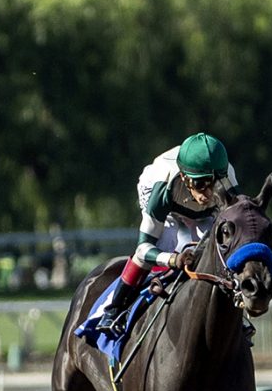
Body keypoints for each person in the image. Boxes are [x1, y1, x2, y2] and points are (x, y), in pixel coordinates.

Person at [88, 132, 239, 337]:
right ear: (185, 178)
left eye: (214, 183)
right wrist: (174, 259)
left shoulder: (228, 180)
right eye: (200, 184)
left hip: (203, 213)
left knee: (221, 251)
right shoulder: (162, 187)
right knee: (164, 246)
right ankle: (114, 309)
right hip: (166, 203)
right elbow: (144, 249)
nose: (208, 193)